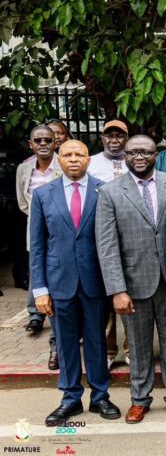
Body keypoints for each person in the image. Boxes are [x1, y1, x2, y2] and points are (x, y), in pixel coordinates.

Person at [95, 136, 166, 424]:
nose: (139, 157)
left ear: (155, 155)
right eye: (133, 152)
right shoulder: (109, 192)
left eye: (146, 152)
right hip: (133, 285)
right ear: (125, 155)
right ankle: (139, 399)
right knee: (138, 345)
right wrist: (117, 289)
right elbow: (107, 246)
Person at [30, 140, 121, 424]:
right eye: (67, 154)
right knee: (66, 343)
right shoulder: (43, 194)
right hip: (59, 282)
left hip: (95, 282)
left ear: (88, 159)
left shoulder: (104, 191)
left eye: (79, 154)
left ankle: (100, 396)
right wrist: (39, 290)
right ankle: (70, 398)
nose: (73, 159)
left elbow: (112, 240)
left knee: (96, 341)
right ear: (59, 159)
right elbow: (38, 246)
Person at [16, 126, 61, 369]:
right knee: (38, 271)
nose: (43, 144)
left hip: (60, 229)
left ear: (55, 142)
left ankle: (58, 342)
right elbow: (23, 202)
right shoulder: (24, 168)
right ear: (31, 144)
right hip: (35, 228)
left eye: (48, 140)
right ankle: (36, 314)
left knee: (58, 282)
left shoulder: (64, 163)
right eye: (38, 140)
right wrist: (38, 219)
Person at [88, 119, 130, 368]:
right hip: (101, 234)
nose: (114, 140)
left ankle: (130, 349)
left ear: (126, 138)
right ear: (103, 138)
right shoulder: (91, 163)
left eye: (119, 135)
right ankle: (109, 349)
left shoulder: (133, 161)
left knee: (131, 294)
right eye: (109, 135)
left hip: (130, 236)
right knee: (107, 298)